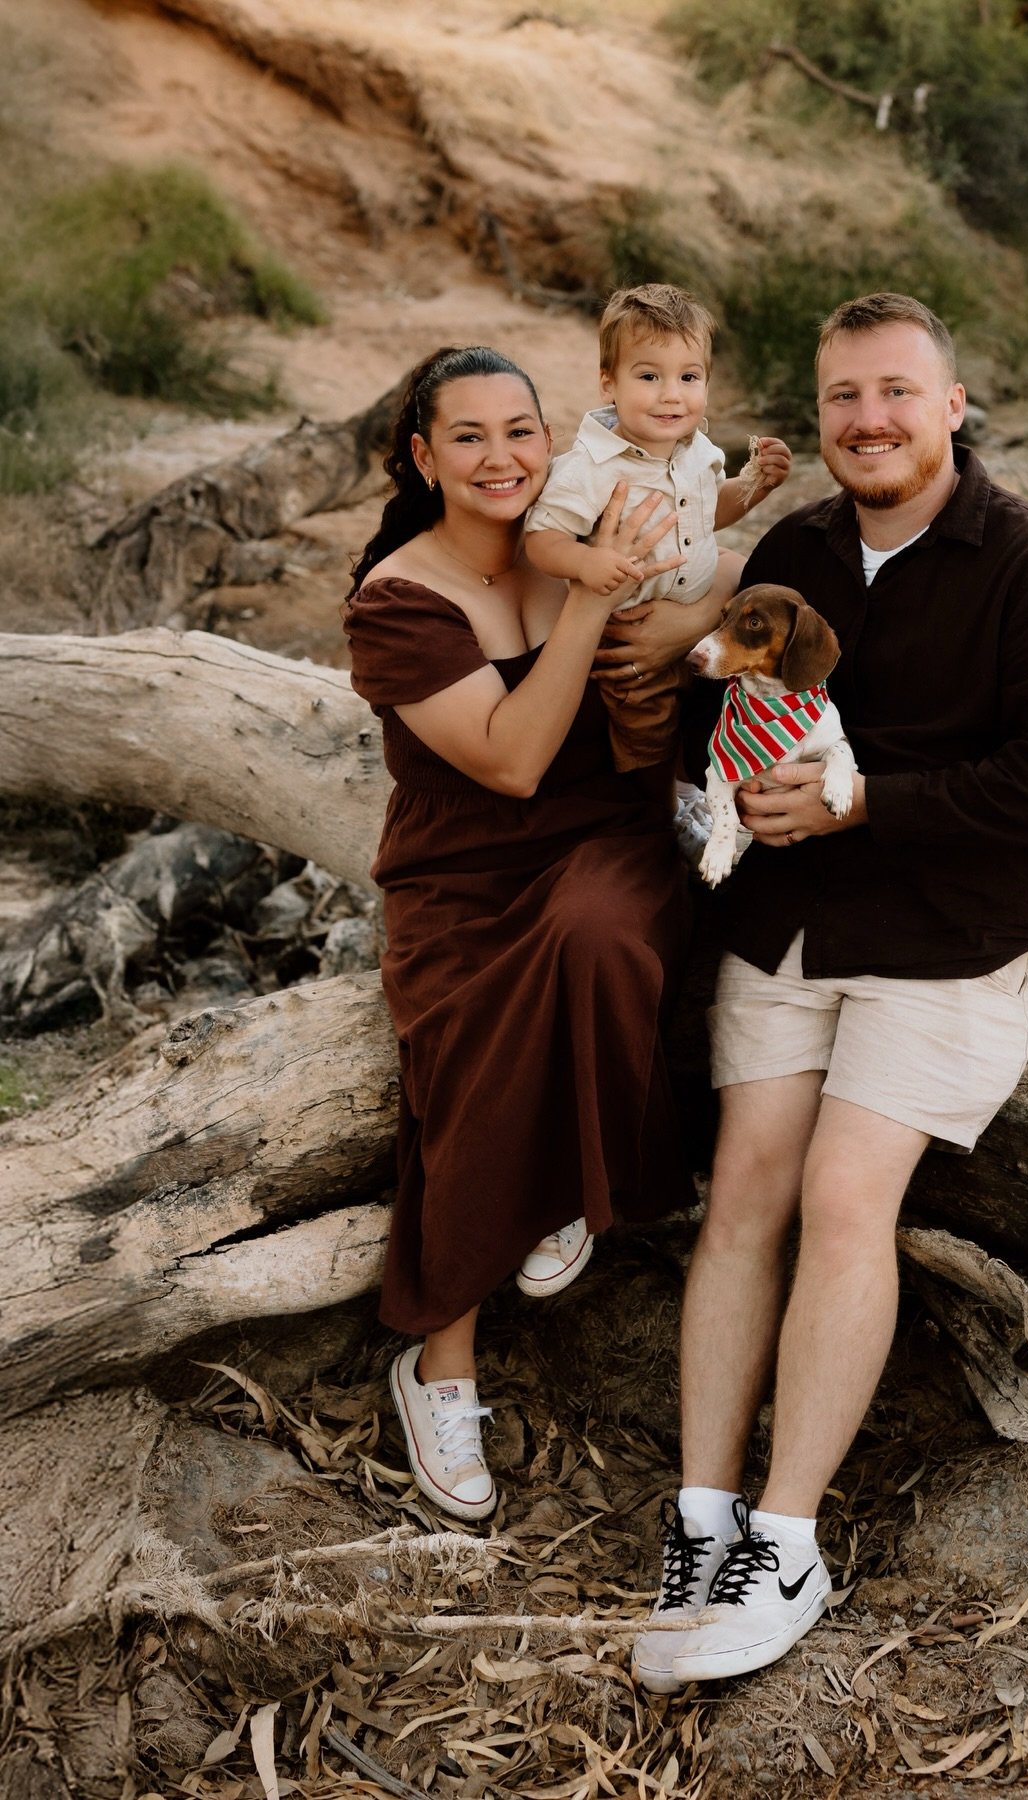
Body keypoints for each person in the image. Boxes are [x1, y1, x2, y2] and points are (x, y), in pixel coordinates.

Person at [632, 293, 1028, 1691]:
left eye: (898, 393)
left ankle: (786, 1544)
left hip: (955, 932)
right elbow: (716, 706)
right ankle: (702, 1515)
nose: (870, 421)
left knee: (848, 1196)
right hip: (788, 924)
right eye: (845, 398)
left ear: (952, 407)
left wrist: (858, 804)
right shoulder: (795, 549)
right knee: (743, 1193)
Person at [342, 344, 698, 1523]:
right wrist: (594, 602)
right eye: (470, 436)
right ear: (423, 457)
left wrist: (660, 626)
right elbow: (510, 758)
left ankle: (573, 1185)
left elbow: (702, 597)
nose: (502, 458)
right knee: (461, 1037)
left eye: (522, 431)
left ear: (558, 440)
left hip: (608, 839)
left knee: (596, 931)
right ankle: (441, 1368)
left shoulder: (584, 531)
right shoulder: (399, 599)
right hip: (461, 872)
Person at [526, 283, 791, 773]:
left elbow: (709, 514)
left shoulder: (697, 451)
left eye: (689, 377)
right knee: (645, 728)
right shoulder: (590, 467)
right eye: (649, 376)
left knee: (702, 712)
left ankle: (700, 786)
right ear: (609, 383)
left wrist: (756, 485)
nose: (672, 394)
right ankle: (654, 807)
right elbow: (542, 538)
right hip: (627, 633)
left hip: (697, 623)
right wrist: (585, 560)